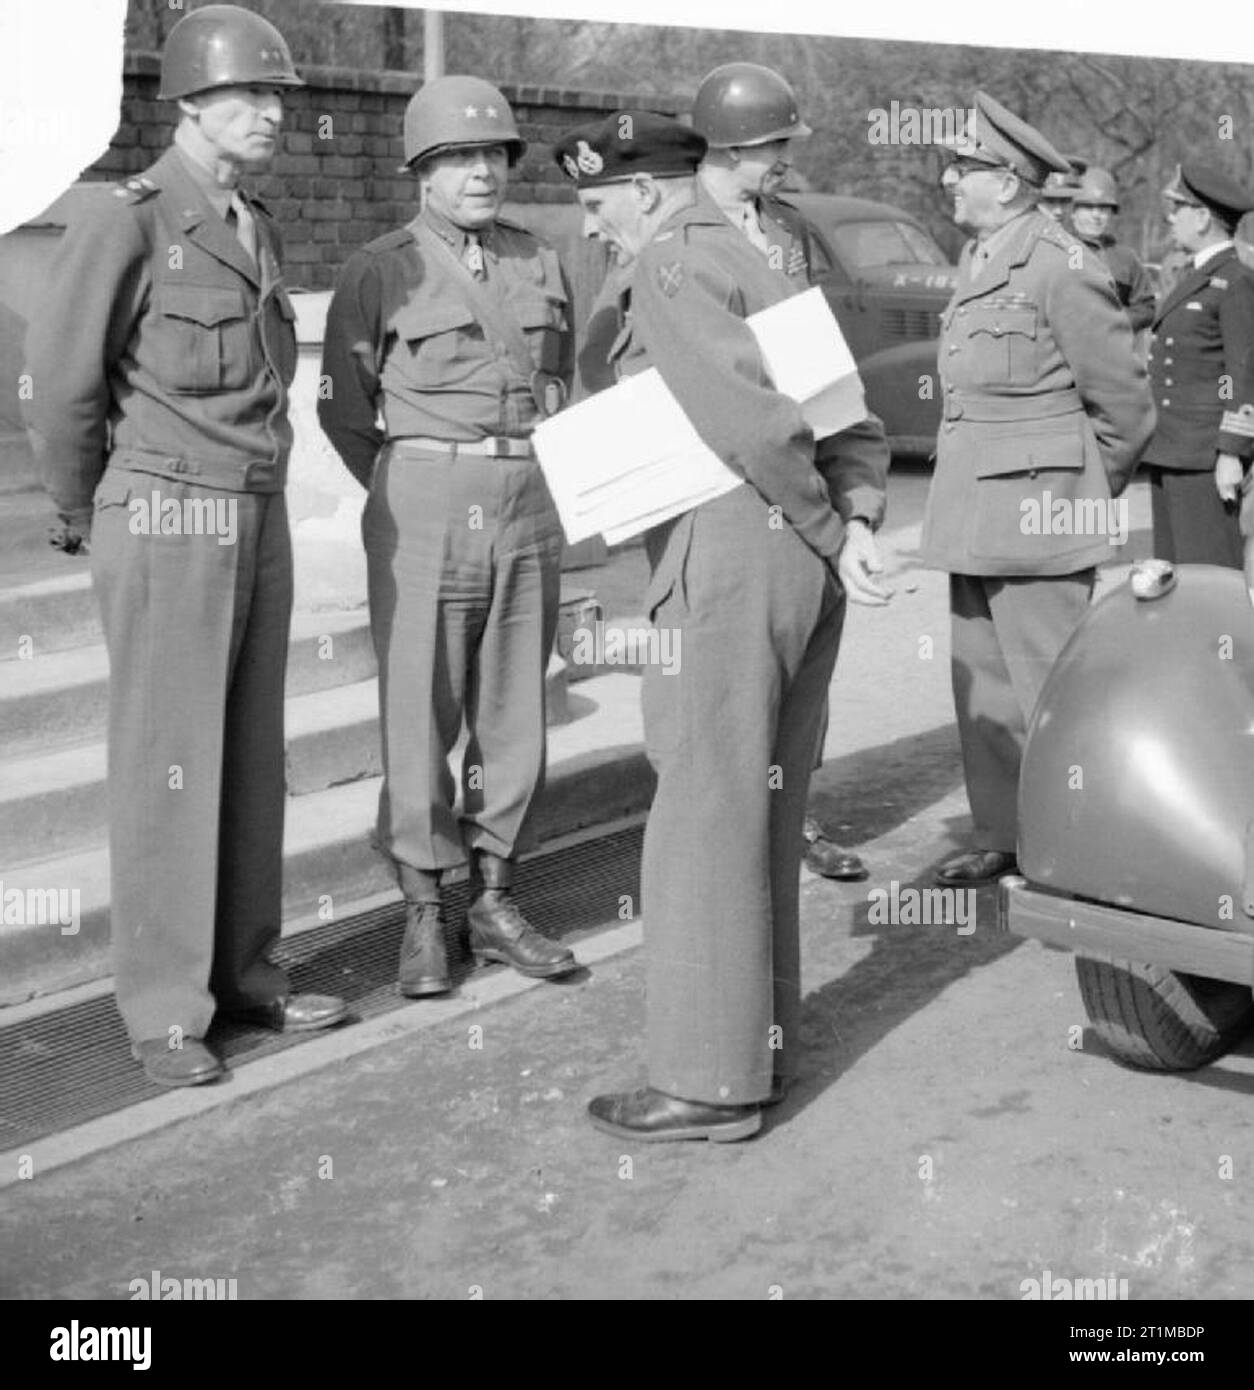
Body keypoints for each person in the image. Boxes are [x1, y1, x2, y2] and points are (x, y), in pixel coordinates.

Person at [22, 4, 346, 1088]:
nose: (269, 113)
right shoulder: (132, 219)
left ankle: (247, 975)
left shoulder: (255, 222)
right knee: (169, 768)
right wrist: (82, 508)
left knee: (251, 758)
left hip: (252, 510)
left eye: (275, 97)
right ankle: (165, 1012)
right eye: (249, 96)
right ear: (192, 105)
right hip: (166, 513)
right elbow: (64, 382)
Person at [555, 111, 891, 1143]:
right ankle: (760, 1047)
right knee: (758, 811)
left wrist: (831, 524)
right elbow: (845, 408)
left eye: (600, 199)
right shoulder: (753, 250)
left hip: (734, 556)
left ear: (649, 191)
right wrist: (853, 521)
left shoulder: (670, 266)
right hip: (788, 557)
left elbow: (751, 420)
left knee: (704, 818)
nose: (591, 220)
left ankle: (708, 1083)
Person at [319, 76, 578, 998]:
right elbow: (346, 414)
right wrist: (412, 487)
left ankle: (496, 898)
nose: (479, 173)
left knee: (514, 710)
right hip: (425, 497)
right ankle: (425, 908)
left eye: (493, 156)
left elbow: (562, 379)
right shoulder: (380, 268)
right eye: (457, 158)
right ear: (421, 173)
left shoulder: (541, 261)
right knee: (418, 711)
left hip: (528, 498)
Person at [921, 92, 1155, 886]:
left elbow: (1124, 406)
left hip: (1040, 516)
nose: (949, 178)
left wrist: (1079, 492)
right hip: (972, 512)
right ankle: (1005, 833)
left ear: (1010, 181)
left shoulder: (1061, 266)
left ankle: (1080, 848)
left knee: (1052, 693)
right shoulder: (981, 257)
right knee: (984, 684)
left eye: (965, 167)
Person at [692, 61, 891, 882]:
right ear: (727, 146)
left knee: (805, 681)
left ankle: (792, 817)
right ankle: (723, 851)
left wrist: (860, 505)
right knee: (722, 703)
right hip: (722, 497)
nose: (782, 158)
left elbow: (826, 370)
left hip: (802, 478)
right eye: (769, 145)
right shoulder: (675, 229)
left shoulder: (786, 229)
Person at [1142, 163, 1254, 570]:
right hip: (1171, 449)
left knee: (1209, 576)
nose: (1171, 218)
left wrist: (1231, 452)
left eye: (1179, 208)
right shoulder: (1194, 274)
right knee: (1174, 576)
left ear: (1204, 217)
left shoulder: (1235, 281)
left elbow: (1242, 374)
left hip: (1204, 457)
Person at [1069, 167, 1156, 332]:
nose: (1096, 215)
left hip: (1114, 346)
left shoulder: (1126, 258)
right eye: (1088, 207)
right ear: (1074, 211)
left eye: (1103, 209)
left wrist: (1114, 322)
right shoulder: (1060, 249)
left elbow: (1146, 307)